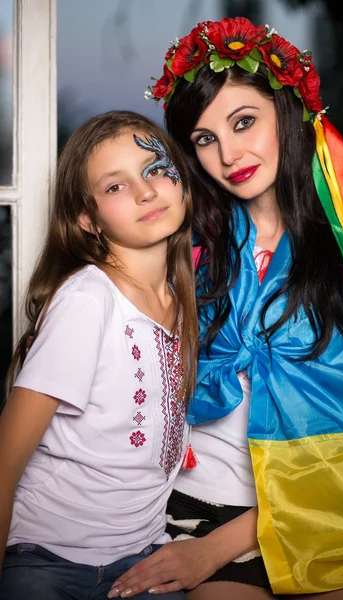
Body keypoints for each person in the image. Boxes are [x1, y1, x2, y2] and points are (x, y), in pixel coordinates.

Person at [109, 17, 343, 600]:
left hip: (336, 511)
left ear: (288, 115)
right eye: (205, 139)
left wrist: (212, 554)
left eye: (244, 122)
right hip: (205, 510)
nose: (229, 154)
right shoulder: (189, 254)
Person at [0, 110, 199, 600]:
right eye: (115, 186)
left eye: (155, 169)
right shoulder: (88, 300)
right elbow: (5, 462)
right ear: (87, 219)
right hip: (48, 558)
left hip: (141, 559)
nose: (146, 190)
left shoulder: (183, 297)